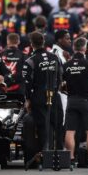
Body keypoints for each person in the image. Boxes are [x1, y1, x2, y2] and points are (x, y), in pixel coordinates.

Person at [23, 31, 64, 164]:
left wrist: (28, 99)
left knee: (43, 126)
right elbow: (60, 76)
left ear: (31, 44)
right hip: (54, 95)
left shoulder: (30, 60)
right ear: (44, 42)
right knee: (57, 124)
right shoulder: (55, 57)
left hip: (39, 96)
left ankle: (45, 156)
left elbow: (27, 83)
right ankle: (58, 156)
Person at [63, 37, 88, 169]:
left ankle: (70, 159)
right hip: (86, 101)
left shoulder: (66, 65)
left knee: (70, 131)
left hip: (71, 100)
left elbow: (61, 84)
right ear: (85, 48)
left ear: (73, 48)